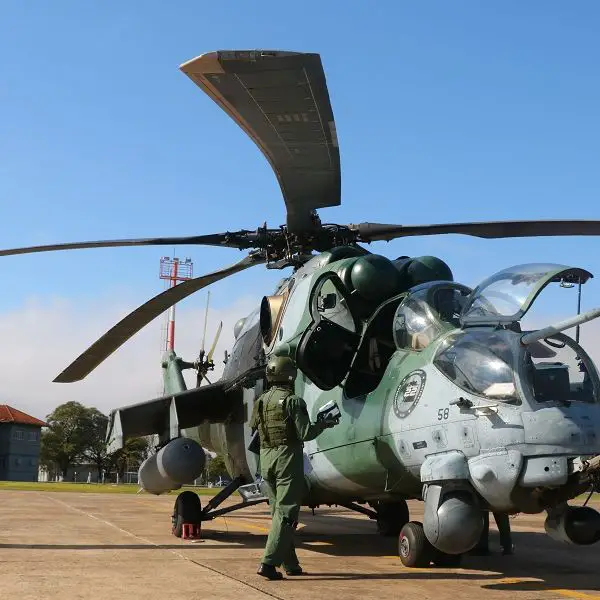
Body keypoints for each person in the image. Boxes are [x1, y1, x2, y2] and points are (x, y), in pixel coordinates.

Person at [249, 355, 339, 581]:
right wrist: (324, 423)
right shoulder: (293, 401)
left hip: (266, 459)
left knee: (278, 514)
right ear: (290, 375)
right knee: (287, 514)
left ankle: (290, 564)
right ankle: (268, 563)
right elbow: (305, 433)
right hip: (286, 459)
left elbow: (255, 429)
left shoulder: (261, 401)